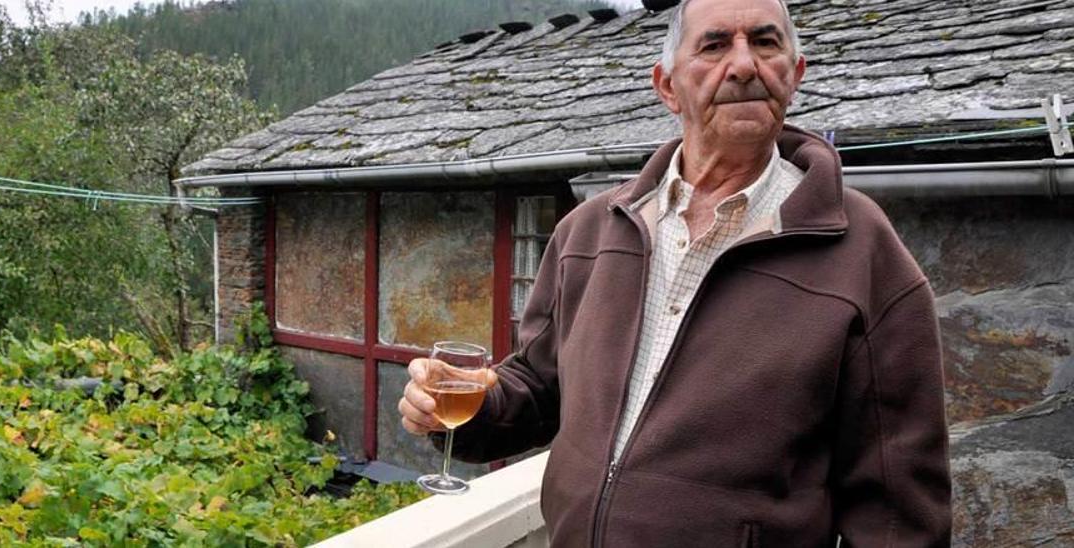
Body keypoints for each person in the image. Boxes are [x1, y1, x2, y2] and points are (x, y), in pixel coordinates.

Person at [398, 0, 952, 544]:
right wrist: (471, 407)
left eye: (765, 42)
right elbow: (541, 389)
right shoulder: (589, 232)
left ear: (794, 72)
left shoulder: (861, 250)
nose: (743, 65)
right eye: (713, 45)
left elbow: (899, 512)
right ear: (667, 86)